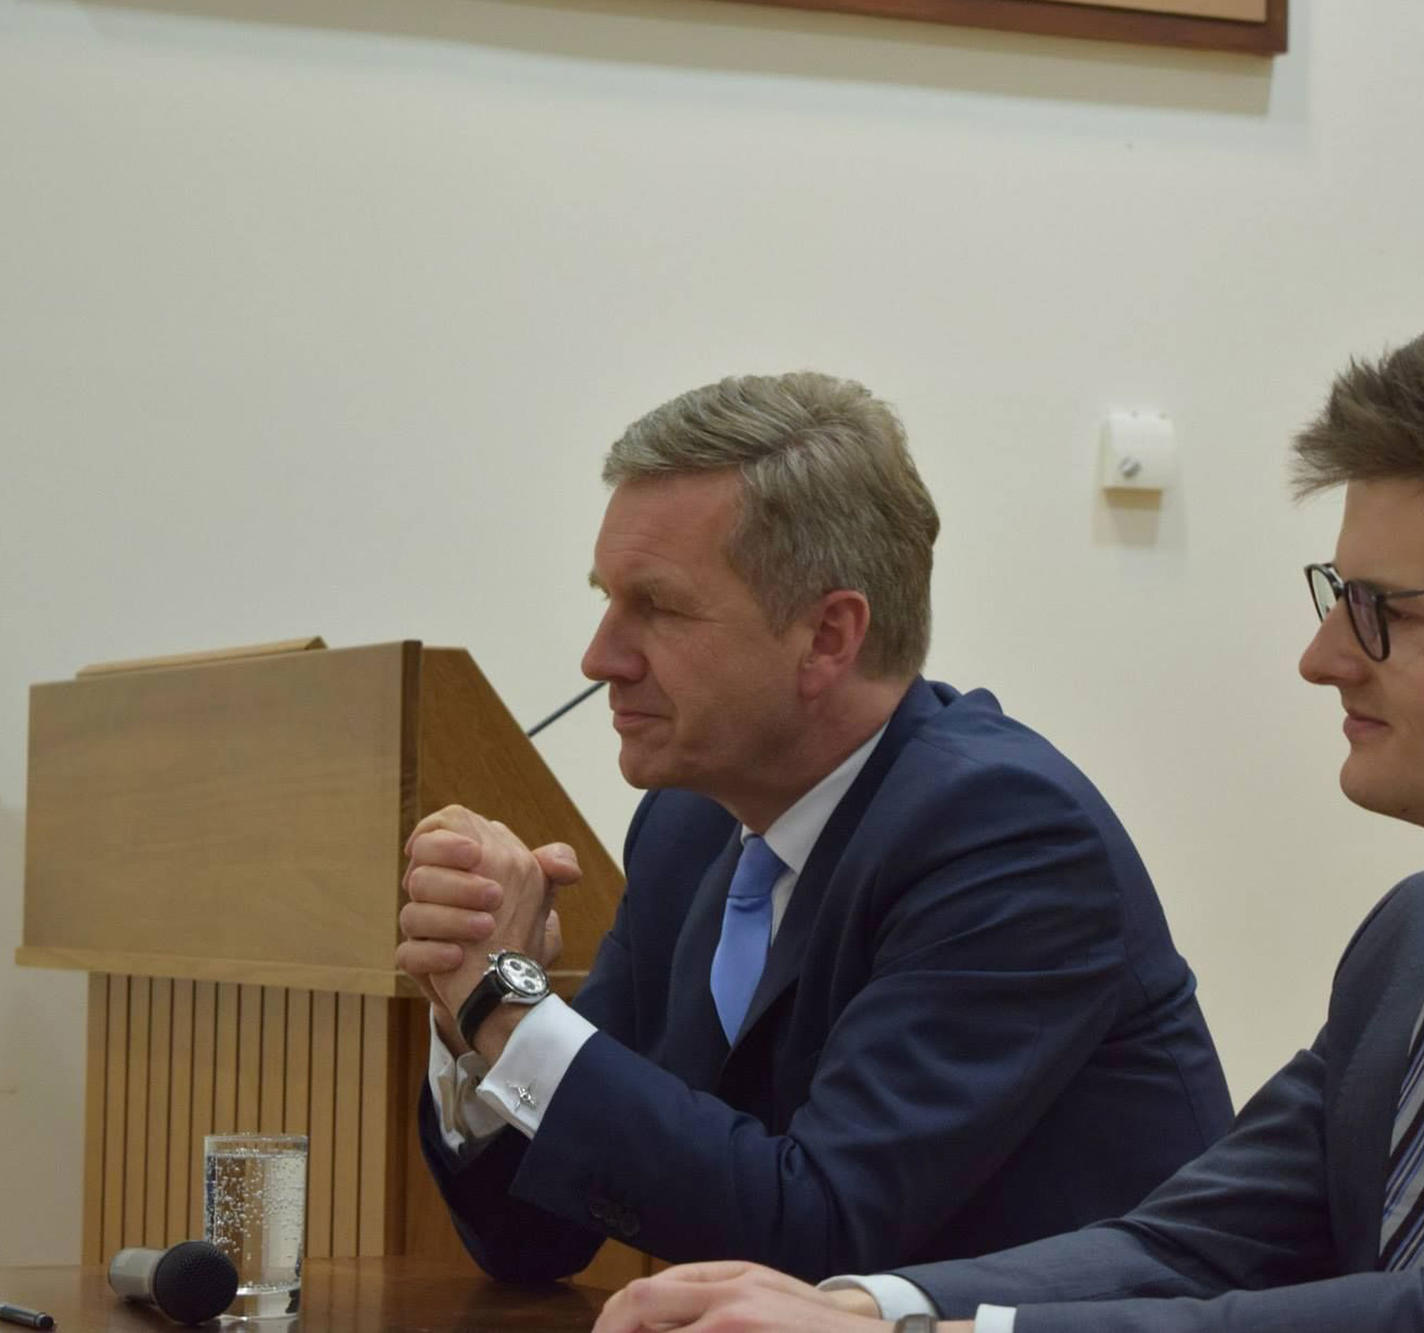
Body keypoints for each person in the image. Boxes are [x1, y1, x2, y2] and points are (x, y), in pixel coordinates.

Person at [589, 332, 1424, 1332]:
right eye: (1333, 597)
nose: (1322, 659)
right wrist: (862, 1304)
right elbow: (1193, 1241)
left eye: (1384, 611)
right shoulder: (1417, 933)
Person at [396, 372, 1234, 1284]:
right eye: (606, 597)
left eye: (659, 607)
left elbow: (821, 1229)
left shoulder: (1007, 837)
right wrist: (471, 1008)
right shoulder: (685, 828)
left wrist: (511, 1011)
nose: (601, 657)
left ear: (829, 636)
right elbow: (532, 1238)